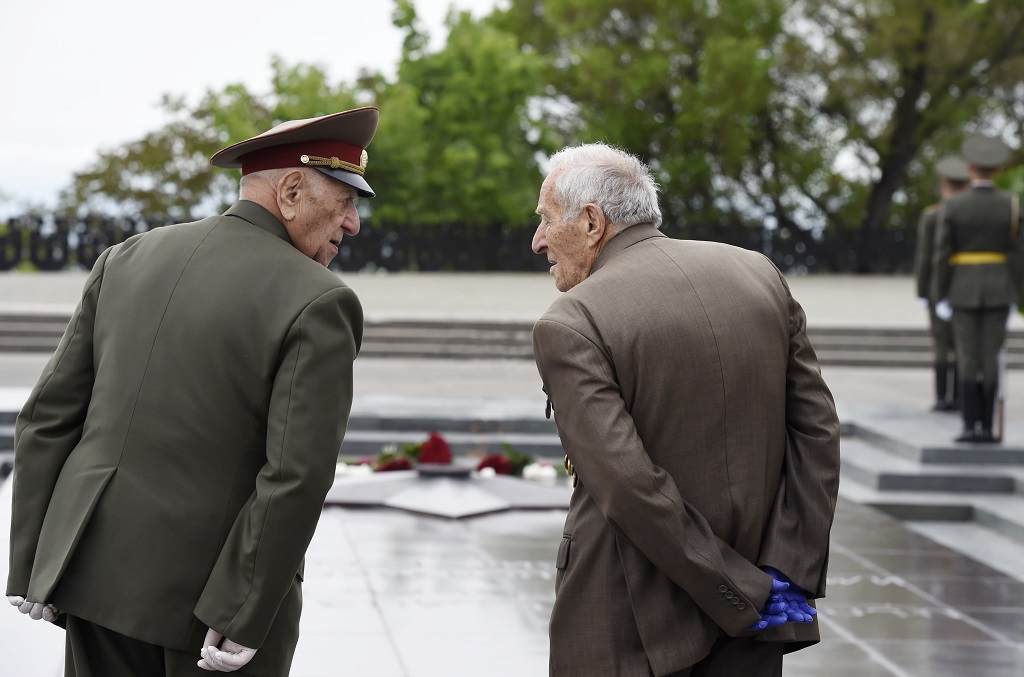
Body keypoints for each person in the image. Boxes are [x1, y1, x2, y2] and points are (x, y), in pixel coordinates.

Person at [6, 107, 378, 675]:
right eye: (346, 201)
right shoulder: (320, 299)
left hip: (91, 582)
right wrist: (245, 611)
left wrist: (36, 561)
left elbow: (47, 418)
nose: (353, 223)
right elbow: (295, 476)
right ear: (293, 190)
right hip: (206, 612)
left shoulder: (126, 259)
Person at [530, 143, 840, 677]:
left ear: (590, 222)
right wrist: (783, 573)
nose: (537, 241)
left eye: (545, 219)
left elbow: (629, 486)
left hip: (626, 621)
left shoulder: (572, 321)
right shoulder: (757, 273)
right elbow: (817, 431)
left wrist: (738, 591)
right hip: (761, 619)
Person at [933, 133, 1023, 443]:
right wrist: (1017, 294)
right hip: (999, 289)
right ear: (997, 170)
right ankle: (988, 427)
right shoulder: (1010, 206)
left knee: (968, 357)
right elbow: (1017, 255)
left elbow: (942, 254)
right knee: (991, 358)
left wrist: (939, 294)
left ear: (971, 168)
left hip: (963, 288)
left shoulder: (955, 207)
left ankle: (970, 426)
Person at [914, 156, 971, 412]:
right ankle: (959, 397)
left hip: (940, 288)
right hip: (965, 288)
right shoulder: (969, 213)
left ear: (943, 184)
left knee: (942, 344)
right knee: (962, 345)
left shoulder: (933, 215)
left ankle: (942, 397)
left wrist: (923, 291)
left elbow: (925, 257)